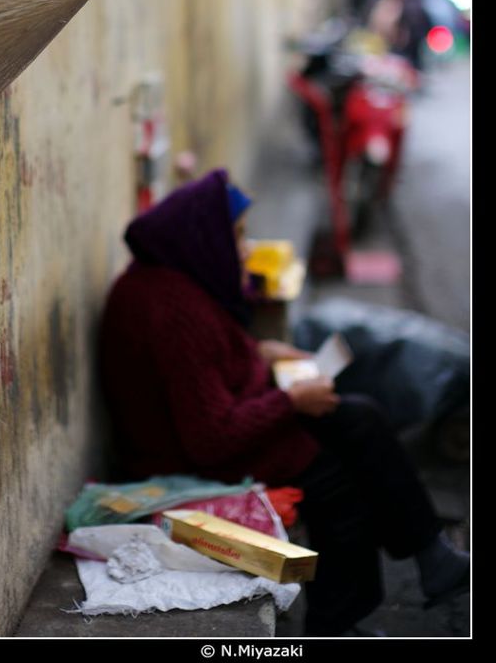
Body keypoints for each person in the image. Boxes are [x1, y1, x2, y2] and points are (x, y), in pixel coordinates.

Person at [99, 169, 469, 636]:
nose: (246, 248)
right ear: (203, 238)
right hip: (176, 459)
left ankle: (430, 552)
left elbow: (202, 369)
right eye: (237, 236)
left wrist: (261, 354)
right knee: (336, 480)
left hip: (205, 426)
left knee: (359, 416)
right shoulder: (172, 310)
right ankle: (337, 623)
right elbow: (210, 438)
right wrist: (292, 399)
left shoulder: (169, 281)